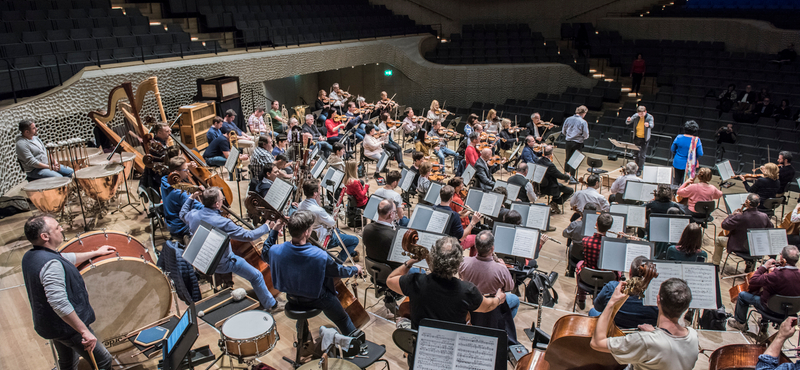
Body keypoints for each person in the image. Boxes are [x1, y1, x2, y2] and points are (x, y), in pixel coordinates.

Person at [21, 215, 115, 370]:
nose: (62, 229)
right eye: (57, 227)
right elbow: (59, 303)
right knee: (103, 361)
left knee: (68, 362)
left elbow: (65, 258)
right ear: (45, 236)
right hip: (68, 328)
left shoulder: (31, 256)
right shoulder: (52, 265)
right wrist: (84, 331)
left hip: (52, 325)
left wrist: (95, 253)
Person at [181, 187, 282, 311]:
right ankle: (272, 305)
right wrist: (267, 226)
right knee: (256, 276)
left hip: (201, 260)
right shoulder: (223, 222)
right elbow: (249, 236)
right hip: (222, 263)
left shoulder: (193, 215)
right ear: (217, 204)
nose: (223, 201)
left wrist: (191, 197)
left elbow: (182, 213)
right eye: (222, 199)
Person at [266, 210, 362, 335]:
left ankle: (303, 337)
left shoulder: (275, 250)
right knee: (342, 318)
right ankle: (354, 348)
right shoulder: (319, 255)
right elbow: (338, 271)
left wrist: (274, 230)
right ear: (306, 232)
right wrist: (356, 269)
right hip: (316, 298)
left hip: (291, 296)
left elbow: (266, 250)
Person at [386, 236, 505, 330]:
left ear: (433, 256)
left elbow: (390, 280)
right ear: (458, 263)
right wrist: (498, 299)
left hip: (419, 347)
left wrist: (410, 262)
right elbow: (488, 306)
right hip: (450, 349)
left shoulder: (415, 281)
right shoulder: (467, 290)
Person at [590, 278, 698, 370]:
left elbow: (597, 342)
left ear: (658, 300)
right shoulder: (693, 336)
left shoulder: (645, 342)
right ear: (686, 308)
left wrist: (612, 302)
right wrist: (655, 334)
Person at [728, 246, 800, 333]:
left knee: (743, 295)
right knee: (770, 293)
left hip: (770, 309)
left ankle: (740, 323)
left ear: (782, 258)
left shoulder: (776, 275)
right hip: (790, 311)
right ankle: (764, 323)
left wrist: (764, 266)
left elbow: (753, 281)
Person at [459, 230, 521, 318]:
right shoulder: (501, 269)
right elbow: (509, 287)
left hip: (470, 304)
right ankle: (503, 324)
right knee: (515, 300)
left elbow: (461, 277)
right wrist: (504, 268)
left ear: (476, 247)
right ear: (492, 248)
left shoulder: (463, 262)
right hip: (492, 305)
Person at [298, 179, 360, 261]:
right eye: (319, 189)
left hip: (311, 238)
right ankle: (338, 263)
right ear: (315, 193)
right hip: (323, 239)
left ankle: (350, 252)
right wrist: (334, 213)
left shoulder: (301, 205)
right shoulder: (318, 210)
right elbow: (332, 223)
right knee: (355, 240)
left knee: (337, 231)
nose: (321, 191)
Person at [588, 256, 659, 328]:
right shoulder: (657, 300)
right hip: (641, 336)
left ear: (630, 272)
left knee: (593, 311)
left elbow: (597, 307)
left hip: (613, 331)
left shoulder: (612, 287)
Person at [713, 194, 773, 266]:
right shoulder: (764, 216)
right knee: (751, 243)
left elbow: (724, 225)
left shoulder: (740, 216)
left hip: (739, 246)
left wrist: (732, 215)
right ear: (758, 204)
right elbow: (770, 229)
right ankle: (750, 265)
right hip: (755, 248)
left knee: (719, 240)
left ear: (746, 202)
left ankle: (716, 265)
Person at [576, 212, 618, 309]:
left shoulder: (586, 240)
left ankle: (581, 297)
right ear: (609, 228)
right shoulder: (612, 245)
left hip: (588, 278)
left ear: (596, 224)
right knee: (618, 272)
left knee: (579, 265)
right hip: (606, 281)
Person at [161, 156, 202, 238]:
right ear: (176, 172)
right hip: (181, 228)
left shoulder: (164, 180)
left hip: (171, 222)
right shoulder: (180, 193)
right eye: (186, 169)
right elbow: (201, 208)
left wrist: (188, 164)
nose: (188, 172)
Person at [539, 145, 574, 214]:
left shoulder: (539, 160)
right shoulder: (550, 165)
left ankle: (554, 202)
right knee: (570, 190)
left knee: (561, 186)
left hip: (540, 186)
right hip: (550, 187)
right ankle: (555, 202)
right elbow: (559, 175)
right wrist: (568, 176)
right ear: (551, 154)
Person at [670, 120, 703, 185]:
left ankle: (674, 194)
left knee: (676, 182)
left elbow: (672, 149)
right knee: (685, 184)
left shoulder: (678, 137)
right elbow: (700, 153)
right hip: (690, 165)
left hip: (678, 162)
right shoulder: (696, 140)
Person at [562, 105, 590, 177]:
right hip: (577, 143)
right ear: (584, 113)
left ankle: (566, 176)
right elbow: (586, 135)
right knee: (575, 161)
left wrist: (569, 136)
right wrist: (583, 137)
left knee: (567, 159)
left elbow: (563, 131)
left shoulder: (568, 119)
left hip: (568, 142)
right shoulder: (583, 122)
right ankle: (572, 177)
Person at [625, 106, 654, 174]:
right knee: (635, 154)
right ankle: (637, 167)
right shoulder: (636, 115)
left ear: (645, 112)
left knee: (642, 155)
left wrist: (648, 125)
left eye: (642, 114)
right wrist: (628, 120)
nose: (640, 115)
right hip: (637, 137)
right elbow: (628, 122)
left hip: (645, 138)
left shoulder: (649, 117)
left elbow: (652, 125)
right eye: (639, 114)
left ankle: (639, 170)